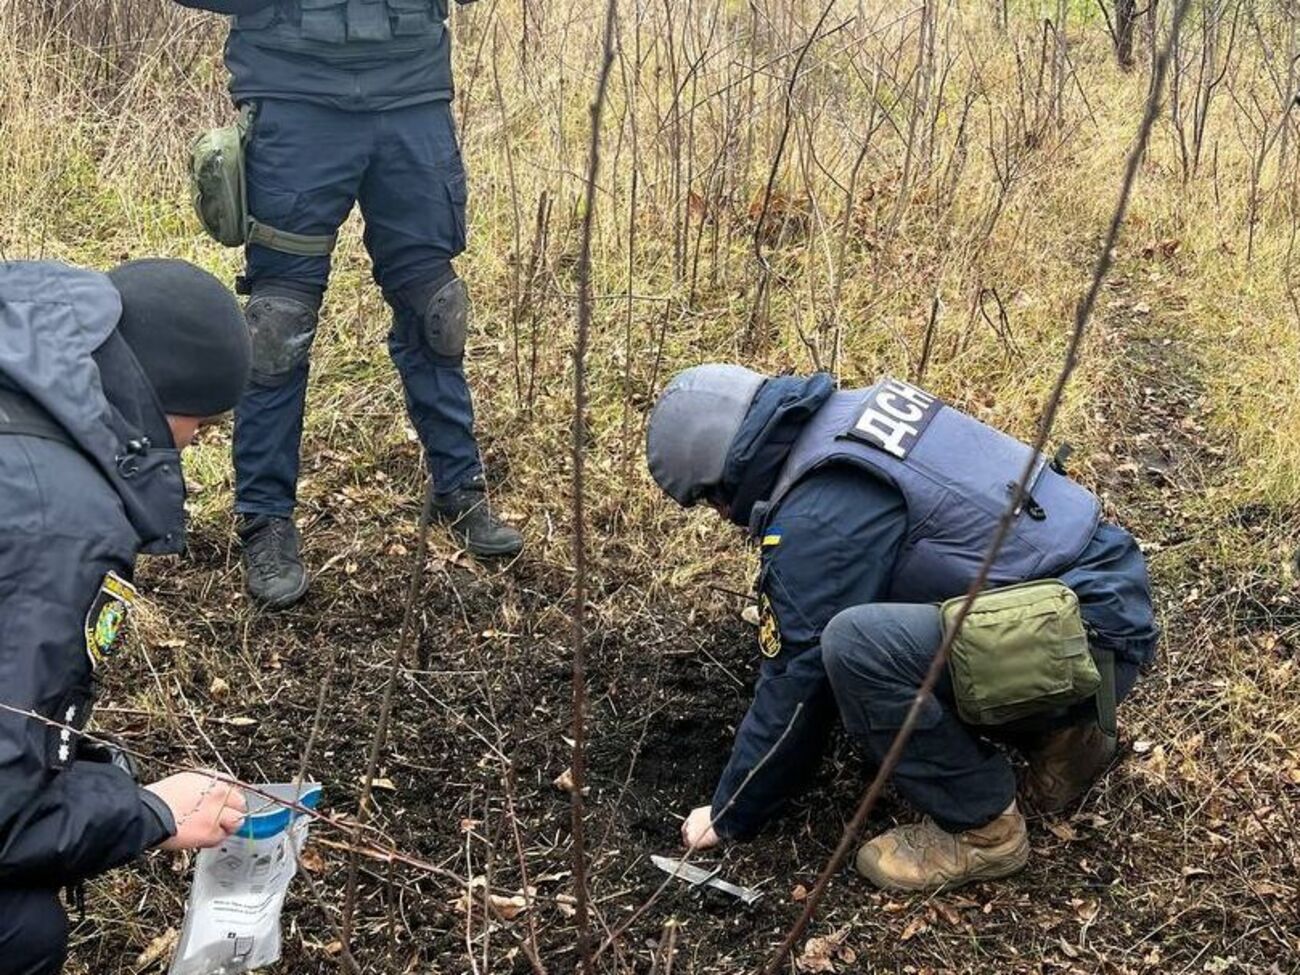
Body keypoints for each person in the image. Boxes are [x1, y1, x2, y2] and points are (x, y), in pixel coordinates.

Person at [645, 365, 1158, 892]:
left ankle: (983, 826)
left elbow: (800, 674)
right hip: (1103, 595)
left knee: (853, 647)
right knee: (891, 623)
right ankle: (1067, 737)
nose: (723, 514)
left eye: (711, 501)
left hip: (1080, 635)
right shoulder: (849, 414)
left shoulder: (820, 509)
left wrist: (734, 807)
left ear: (724, 476)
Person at [177, 0, 524, 610]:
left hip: (411, 95)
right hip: (296, 97)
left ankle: (460, 488)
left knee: (436, 309)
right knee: (277, 327)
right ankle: (265, 521)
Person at [0, 259, 254, 974]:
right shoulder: (58, 521)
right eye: (200, 425)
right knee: (21, 930)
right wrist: (152, 811)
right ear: (160, 396)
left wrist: (86, 768)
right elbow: (3, 817)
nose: (194, 446)